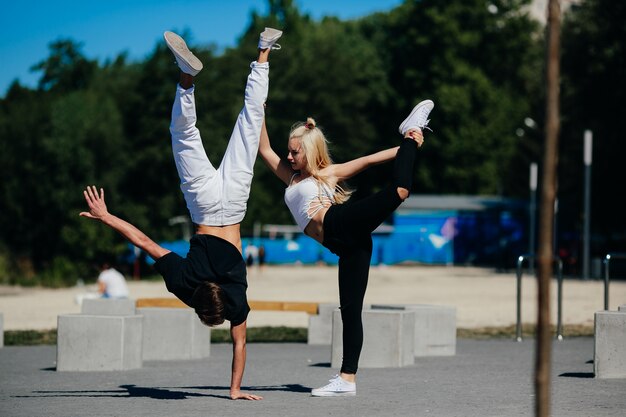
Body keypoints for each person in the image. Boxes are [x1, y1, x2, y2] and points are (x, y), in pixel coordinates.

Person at [80, 27, 282, 401]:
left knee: (250, 122)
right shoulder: (185, 284)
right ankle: (186, 77)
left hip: (234, 204)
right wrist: (106, 216)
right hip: (204, 205)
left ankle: (264, 51)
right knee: (183, 134)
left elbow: (240, 347)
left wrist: (235, 389)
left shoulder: (237, 300)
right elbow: (144, 242)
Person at [258, 99, 434, 396]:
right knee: (350, 311)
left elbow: (368, 161)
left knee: (400, 191)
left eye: (294, 151)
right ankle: (347, 380)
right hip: (345, 246)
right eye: (288, 150)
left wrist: (409, 145)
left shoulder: (328, 174)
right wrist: (257, 111)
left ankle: (410, 130)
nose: (288, 156)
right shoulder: (290, 178)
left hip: (341, 222)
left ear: (310, 152)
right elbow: (263, 150)